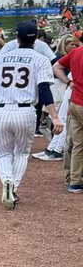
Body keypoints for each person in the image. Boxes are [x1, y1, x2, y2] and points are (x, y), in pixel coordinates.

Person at [0, 33, 63, 208]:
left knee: (2, 153)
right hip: (26, 111)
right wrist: (54, 116)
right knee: (21, 153)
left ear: (17, 38)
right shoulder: (40, 58)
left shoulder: (2, 57)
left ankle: (6, 180)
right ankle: (13, 186)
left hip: (1, 110)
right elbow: (44, 89)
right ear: (35, 39)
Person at [53, 36, 83, 192]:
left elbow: (56, 67)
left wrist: (68, 82)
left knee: (78, 144)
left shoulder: (76, 52)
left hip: (76, 102)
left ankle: (75, 180)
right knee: (76, 143)